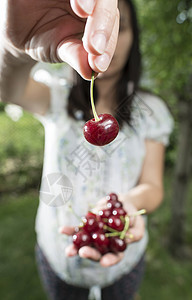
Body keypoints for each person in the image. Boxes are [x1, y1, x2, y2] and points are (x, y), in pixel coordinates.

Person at [0, 0, 174, 299]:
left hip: (122, 256)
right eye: (97, 30)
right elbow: (7, 90)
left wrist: (123, 206)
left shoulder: (151, 111)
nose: (107, 40)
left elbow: (153, 185)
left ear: (134, 39)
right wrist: (13, 51)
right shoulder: (56, 98)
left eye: (120, 29)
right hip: (58, 255)